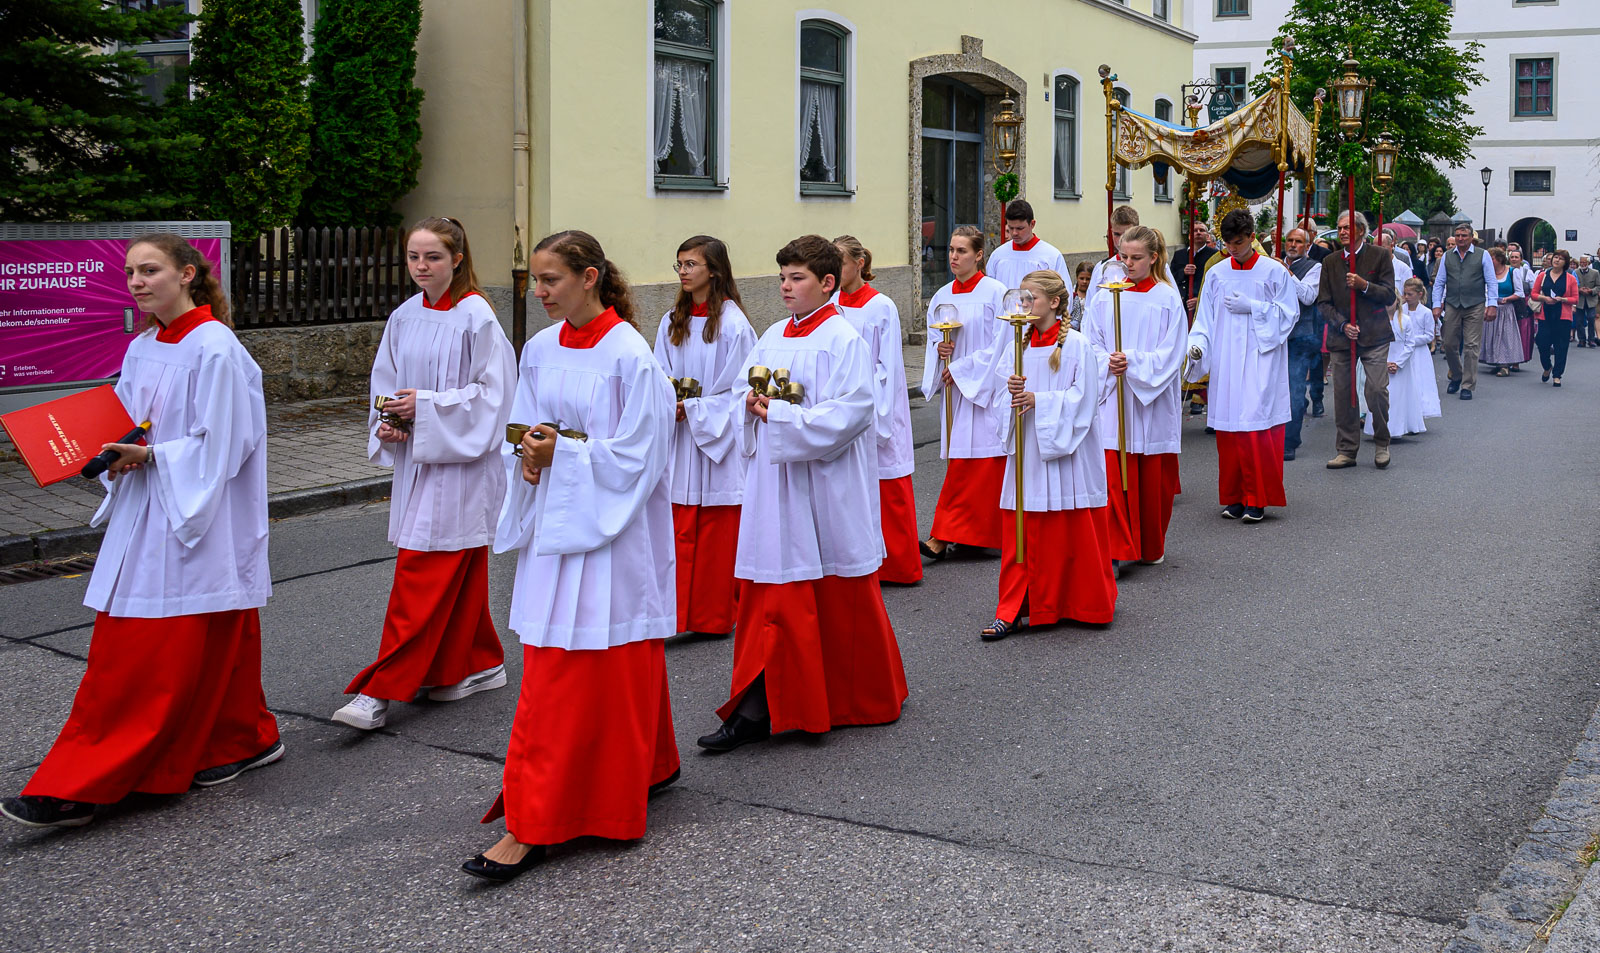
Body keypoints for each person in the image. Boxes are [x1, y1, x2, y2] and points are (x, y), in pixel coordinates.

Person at [2, 234, 281, 828]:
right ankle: (243, 737)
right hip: (149, 508)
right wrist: (99, 450)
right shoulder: (144, 345)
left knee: (142, 653)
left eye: (149, 270)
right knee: (215, 633)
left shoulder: (216, 349)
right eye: (129, 271)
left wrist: (154, 457)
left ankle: (87, 779)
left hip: (192, 513)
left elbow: (229, 444)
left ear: (186, 275)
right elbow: (128, 422)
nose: (135, 281)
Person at [468, 230, 678, 882]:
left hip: (607, 537)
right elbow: (521, 431)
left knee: (591, 668)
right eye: (534, 279)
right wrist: (529, 456)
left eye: (550, 279)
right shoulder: (538, 348)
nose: (538, 291)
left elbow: (640, 457)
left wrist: (564, 454)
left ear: (590, 277)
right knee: (568, 662)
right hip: (558, 528)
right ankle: (645, 767)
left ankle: (538, 818)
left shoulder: (630, 356)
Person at [696, 234, 907, 753]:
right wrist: (748, 406)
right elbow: (744, 396)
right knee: (771, 595)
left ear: (827, 283)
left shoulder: (844, 339)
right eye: (783, 278)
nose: (786, 288)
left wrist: (785, 416)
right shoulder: (771, 335)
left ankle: (845, 698)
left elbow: (854, 413)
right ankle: (756, 705)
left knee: (830, 595)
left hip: (825, 489)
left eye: (797, 279)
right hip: (775, 488)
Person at [335, 218, 517, 731]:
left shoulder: (477, 316)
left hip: (461, 468)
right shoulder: (405, 315)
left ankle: (380, 689)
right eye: (413, 257)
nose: (420, 267)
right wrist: (389, 423)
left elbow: (496, 397)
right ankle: (477, 662)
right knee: (457, 572)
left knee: (423, 572)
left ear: (457, 258)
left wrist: (428, 407)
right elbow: (386, 380)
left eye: (432, 257)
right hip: (419, 458)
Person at [973, 269, 1117, 639]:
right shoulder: (1016, 348)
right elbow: (997, 400)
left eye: (1030, 299)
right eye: (1021, 299)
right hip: (1027, 451)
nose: (1024, 306)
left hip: (1065, 452)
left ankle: (1077, 602)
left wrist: (1039, 400)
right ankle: (1015, 606)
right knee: (1023, 528)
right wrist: (1011, 393)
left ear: (1054, 302)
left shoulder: (1077, 346)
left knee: (1068, 531)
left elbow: (1084, 401)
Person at [653, 235, 757, 637]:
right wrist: (667, 402)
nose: (683, 272)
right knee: (678, 527)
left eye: (691, 264)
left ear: (713, 269)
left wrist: (694, 409)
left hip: (715, 440)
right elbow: (658, 372)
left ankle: (714, 617)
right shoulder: (670, 321)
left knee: (715, 533)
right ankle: (675, 616)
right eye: (679, 264)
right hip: (682, 436)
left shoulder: (733, 325)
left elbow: (740, 389)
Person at [1184, 209, 1298, 522]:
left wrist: (1255, 307)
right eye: (1228, 243)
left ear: (1251, 237)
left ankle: (1257, 499)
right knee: (1229, 430)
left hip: (1261, 360)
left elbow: (1289, 313)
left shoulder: (1274, 272)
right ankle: (1234, 497)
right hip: (1226, 360)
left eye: (1238, 242)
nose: (1232, 248)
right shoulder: (1218, 274)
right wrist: (1197, 346)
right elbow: (1205, 318)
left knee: (1254, 430)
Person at [1085, 226, 1185, 565]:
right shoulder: (1103, 296)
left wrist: (1134, 362)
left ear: (1154, 258)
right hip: (1113, 398)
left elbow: (1172, 353)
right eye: (1123, 256)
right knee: (1112, 475)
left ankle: (1147, 546)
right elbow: (1091, 343)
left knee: (1150, 481)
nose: (1127, 263)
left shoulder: (1167, 297)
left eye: (1136, 258)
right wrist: (1105, 363)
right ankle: (1115, 550)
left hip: (1149, 402)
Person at [834, 235, 920, 585]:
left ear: (859, 263)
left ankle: (898, 566)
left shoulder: (880, 306)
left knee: (887, 484)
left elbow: (889, 365)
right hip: (842, 402)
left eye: (839, 262)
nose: (834, 271)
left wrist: (873, 405)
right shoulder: (831, 303)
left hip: (876, 402)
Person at [921, 225, 1008, 560]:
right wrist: (940, 352)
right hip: (956, 391)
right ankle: (967, 535)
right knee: (964, 461)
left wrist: (961, 369)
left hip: (984, 390)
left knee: (978, 466)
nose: (954, 257)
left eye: (961, 251)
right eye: (951, 251)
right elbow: (933, 339)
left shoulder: (995, 293)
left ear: (979, 254)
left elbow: (1001, 345)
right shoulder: (942, 296)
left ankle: (943, 535)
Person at [1319, 210, 1397, 469]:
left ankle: (1382, 441)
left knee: (1375, 390)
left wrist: (1364, 285)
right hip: (1342, 338)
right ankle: (1346, 449)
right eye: (1339, 228)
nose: (1341, 232)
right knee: (1343, 394)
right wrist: (1342, 324)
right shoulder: (1330, 262)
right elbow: (1324, 303)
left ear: (1361, 231)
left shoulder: (1380, 255)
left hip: (1374, 334)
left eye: (1347, 228)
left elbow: (1388, 295)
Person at [1432, 222, 1499, 400]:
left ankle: (1467, 385)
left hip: (1475, 304)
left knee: (1471, 346)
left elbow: (1491, 281)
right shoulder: (1447, 256)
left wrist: (1492, 305)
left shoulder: (1482, 255)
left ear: (1471, 238)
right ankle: (1456, 374)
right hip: (1453, 303)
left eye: (1464, 236)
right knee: (1448, 343)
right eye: (1458, 236)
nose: (1461, 239)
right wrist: (1436, 305)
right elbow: (1439, 282)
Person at [1365, 278, 1440, 438]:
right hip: (1384, 360)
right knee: (1384, 393)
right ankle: (1381, 427)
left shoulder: (1408, 319)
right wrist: (1384, 362)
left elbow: (1413, 342)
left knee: (1403, 394)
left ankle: (1402, 426)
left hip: (1403, 360)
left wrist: (1398, 363)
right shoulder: (1379, 321)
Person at [1280, 227, 1324, 461]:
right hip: (1274, 335)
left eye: (1299, 241)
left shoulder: (1314, 267)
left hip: (1300, 335)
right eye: (1290, 240)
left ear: (1307, 246)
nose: (1293, 245)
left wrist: (1286, 273)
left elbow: (1307, 296)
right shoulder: (1273, 263)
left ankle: (1290, 441)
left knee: (1294, 389)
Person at [1087, 205, 1179, 311]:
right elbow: (1090, 308)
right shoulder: (1103, 269)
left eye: (1127, 233)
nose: (1121, 239)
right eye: (1116, 234)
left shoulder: (1157, 266)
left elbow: (1174, 303)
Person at [985, 200, 1069, 294]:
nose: (1014, 233)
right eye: (1011, 228)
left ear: (1032, 224)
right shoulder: (998, 255)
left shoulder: (1051, 256)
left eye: (1020, 228)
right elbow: (989, 290)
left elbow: (1064, 294)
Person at [1533, 250, 1582, 387]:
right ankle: (1547, 366)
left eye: (1561, 258)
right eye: (1555, 257)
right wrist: (1544, 298)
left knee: (1561, 346)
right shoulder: (1543, 275)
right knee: (1542, 343)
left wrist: (1563, 299)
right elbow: (1534, 294)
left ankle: (1557, 375)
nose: (1557, 260)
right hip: (1545, 314)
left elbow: (1575, 299)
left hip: (1562, 316)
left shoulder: (1570, 278)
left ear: (1565, 262)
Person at [1481, 248, 1526, 378]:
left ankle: (1505, 365)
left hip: (1507, 310)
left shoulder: (1512, 272)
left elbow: (1519, 292)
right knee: (1492, 336)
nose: (1489, 261)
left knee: (1505, 337)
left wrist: (1507, 299)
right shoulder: (1487, 273)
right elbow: (1485, 291)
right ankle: (1496, 361)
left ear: (1499, 259)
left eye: (1492, 258)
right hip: (1492, 307)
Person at [1170, 221, 1218, 315]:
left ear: (1207, 236)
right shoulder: (1179, 254)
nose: (1198, 232)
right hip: (1181, 304)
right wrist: (1183, 272)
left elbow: (1216, 283)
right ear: (1189, 236)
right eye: (1195, 231)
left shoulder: (1214, 255)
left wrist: (1200, 299)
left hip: (1203, 306)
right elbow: (1171, 277)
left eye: (1202, 230)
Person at [1507, 248, 1537, 367]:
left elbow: (1533, 290)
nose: (1514, 259)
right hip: (1507, 303)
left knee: (1521, 333)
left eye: (1516, 257)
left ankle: (1517, 361)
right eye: (1512, 257)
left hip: (1522, 305)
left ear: (1521, 259)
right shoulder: (1505, 271)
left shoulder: (1527, 273)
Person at [1576, 256, 1599, 348]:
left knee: (1591, 318)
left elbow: (1598, 286)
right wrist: (1579, 290)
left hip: (1591, 300)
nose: (1582, 264)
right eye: (1581, 262)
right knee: (1579, 321)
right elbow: (1572, 285)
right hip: (1580, 300)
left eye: (1584, 262)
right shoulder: (1575, 272)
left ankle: (1591, 339)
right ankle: (1581, 340)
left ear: (1588, 263)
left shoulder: (1595, 273)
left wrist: (1591, 291)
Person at [1068, 260, 1093, 330]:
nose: (1084, 282)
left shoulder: (1094, 296)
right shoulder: (1071, 295)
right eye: (1081, 278)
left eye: (1088, 279)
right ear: (1077, 277)